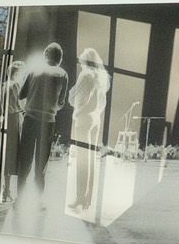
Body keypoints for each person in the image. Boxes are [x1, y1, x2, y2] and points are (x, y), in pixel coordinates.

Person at [12, 43, 71, 207]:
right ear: (59, 59)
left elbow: (21, 94)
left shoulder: (33, 70)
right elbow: (61, 103)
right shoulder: (62, 74)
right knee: (41, 166)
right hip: (48, 122)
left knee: (25, 163)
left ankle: (20, 200)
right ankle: (37, 201)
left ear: (45, 55)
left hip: (30, 120)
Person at [67, 47, 110, 215]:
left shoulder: (85, 75)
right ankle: (87, 200)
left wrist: (76, 112)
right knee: (91, 159)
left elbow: (78, 99)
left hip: (84, 119)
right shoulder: (102, 76)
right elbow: (102, 101)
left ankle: (79, 197)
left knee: (82, 160)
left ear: (85, 61)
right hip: (96, 119)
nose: (80, 64)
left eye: (82, 61)